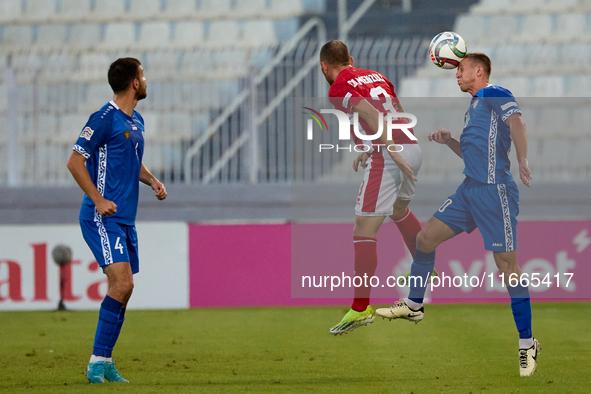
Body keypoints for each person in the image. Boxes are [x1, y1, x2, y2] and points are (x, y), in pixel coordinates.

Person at [376, 53, 539, 377]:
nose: (456, 74)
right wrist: (450, 140)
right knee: (425, 238)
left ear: (480, 71)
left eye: (462, 69)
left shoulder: (495, 93)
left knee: (508, 268)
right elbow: (472, 153)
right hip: (469, 191)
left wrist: (522, 159)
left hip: (495, 193)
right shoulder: (474, 106)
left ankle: (527, 343)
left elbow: (517, 122)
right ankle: (414, 304)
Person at [67, 57, 167, 383]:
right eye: (143, 74)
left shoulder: (136, 120)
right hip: (101, 216)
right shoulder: (103, 118)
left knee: (124, 288)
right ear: (134, 83)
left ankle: (105, 360)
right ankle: (97, 362)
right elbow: (74, 162)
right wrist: (98, 199)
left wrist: (151, 180)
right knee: (122, 283)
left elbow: (132, 162)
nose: (147, 80)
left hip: (124, 219)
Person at [319, 40, 423, 336]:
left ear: (324, 67)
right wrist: (393, 146)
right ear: (351, 58)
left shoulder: (338, 86)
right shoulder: (377, 76)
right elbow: (397, 111)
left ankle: (360, 308)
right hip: (412, 146)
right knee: (400, 210)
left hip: (391, 153)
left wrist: (388, 149)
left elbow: (370, 114)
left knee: (363, 230)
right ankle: (425, 266)